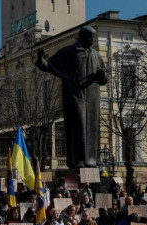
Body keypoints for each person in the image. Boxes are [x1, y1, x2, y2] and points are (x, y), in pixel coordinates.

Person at [36, 25, 108, 168]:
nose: (92, 40)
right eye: (90, 37)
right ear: (82, 37)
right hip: (75, 95)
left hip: (93, 98)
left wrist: (102, 76)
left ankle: (91, 160)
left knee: (92, 128)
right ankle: (77, 160)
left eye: (93, 37)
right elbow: (48, 65)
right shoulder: (69, 52)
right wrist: (40, 59)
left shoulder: (96, 55)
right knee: (78, 125)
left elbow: (104, 79)